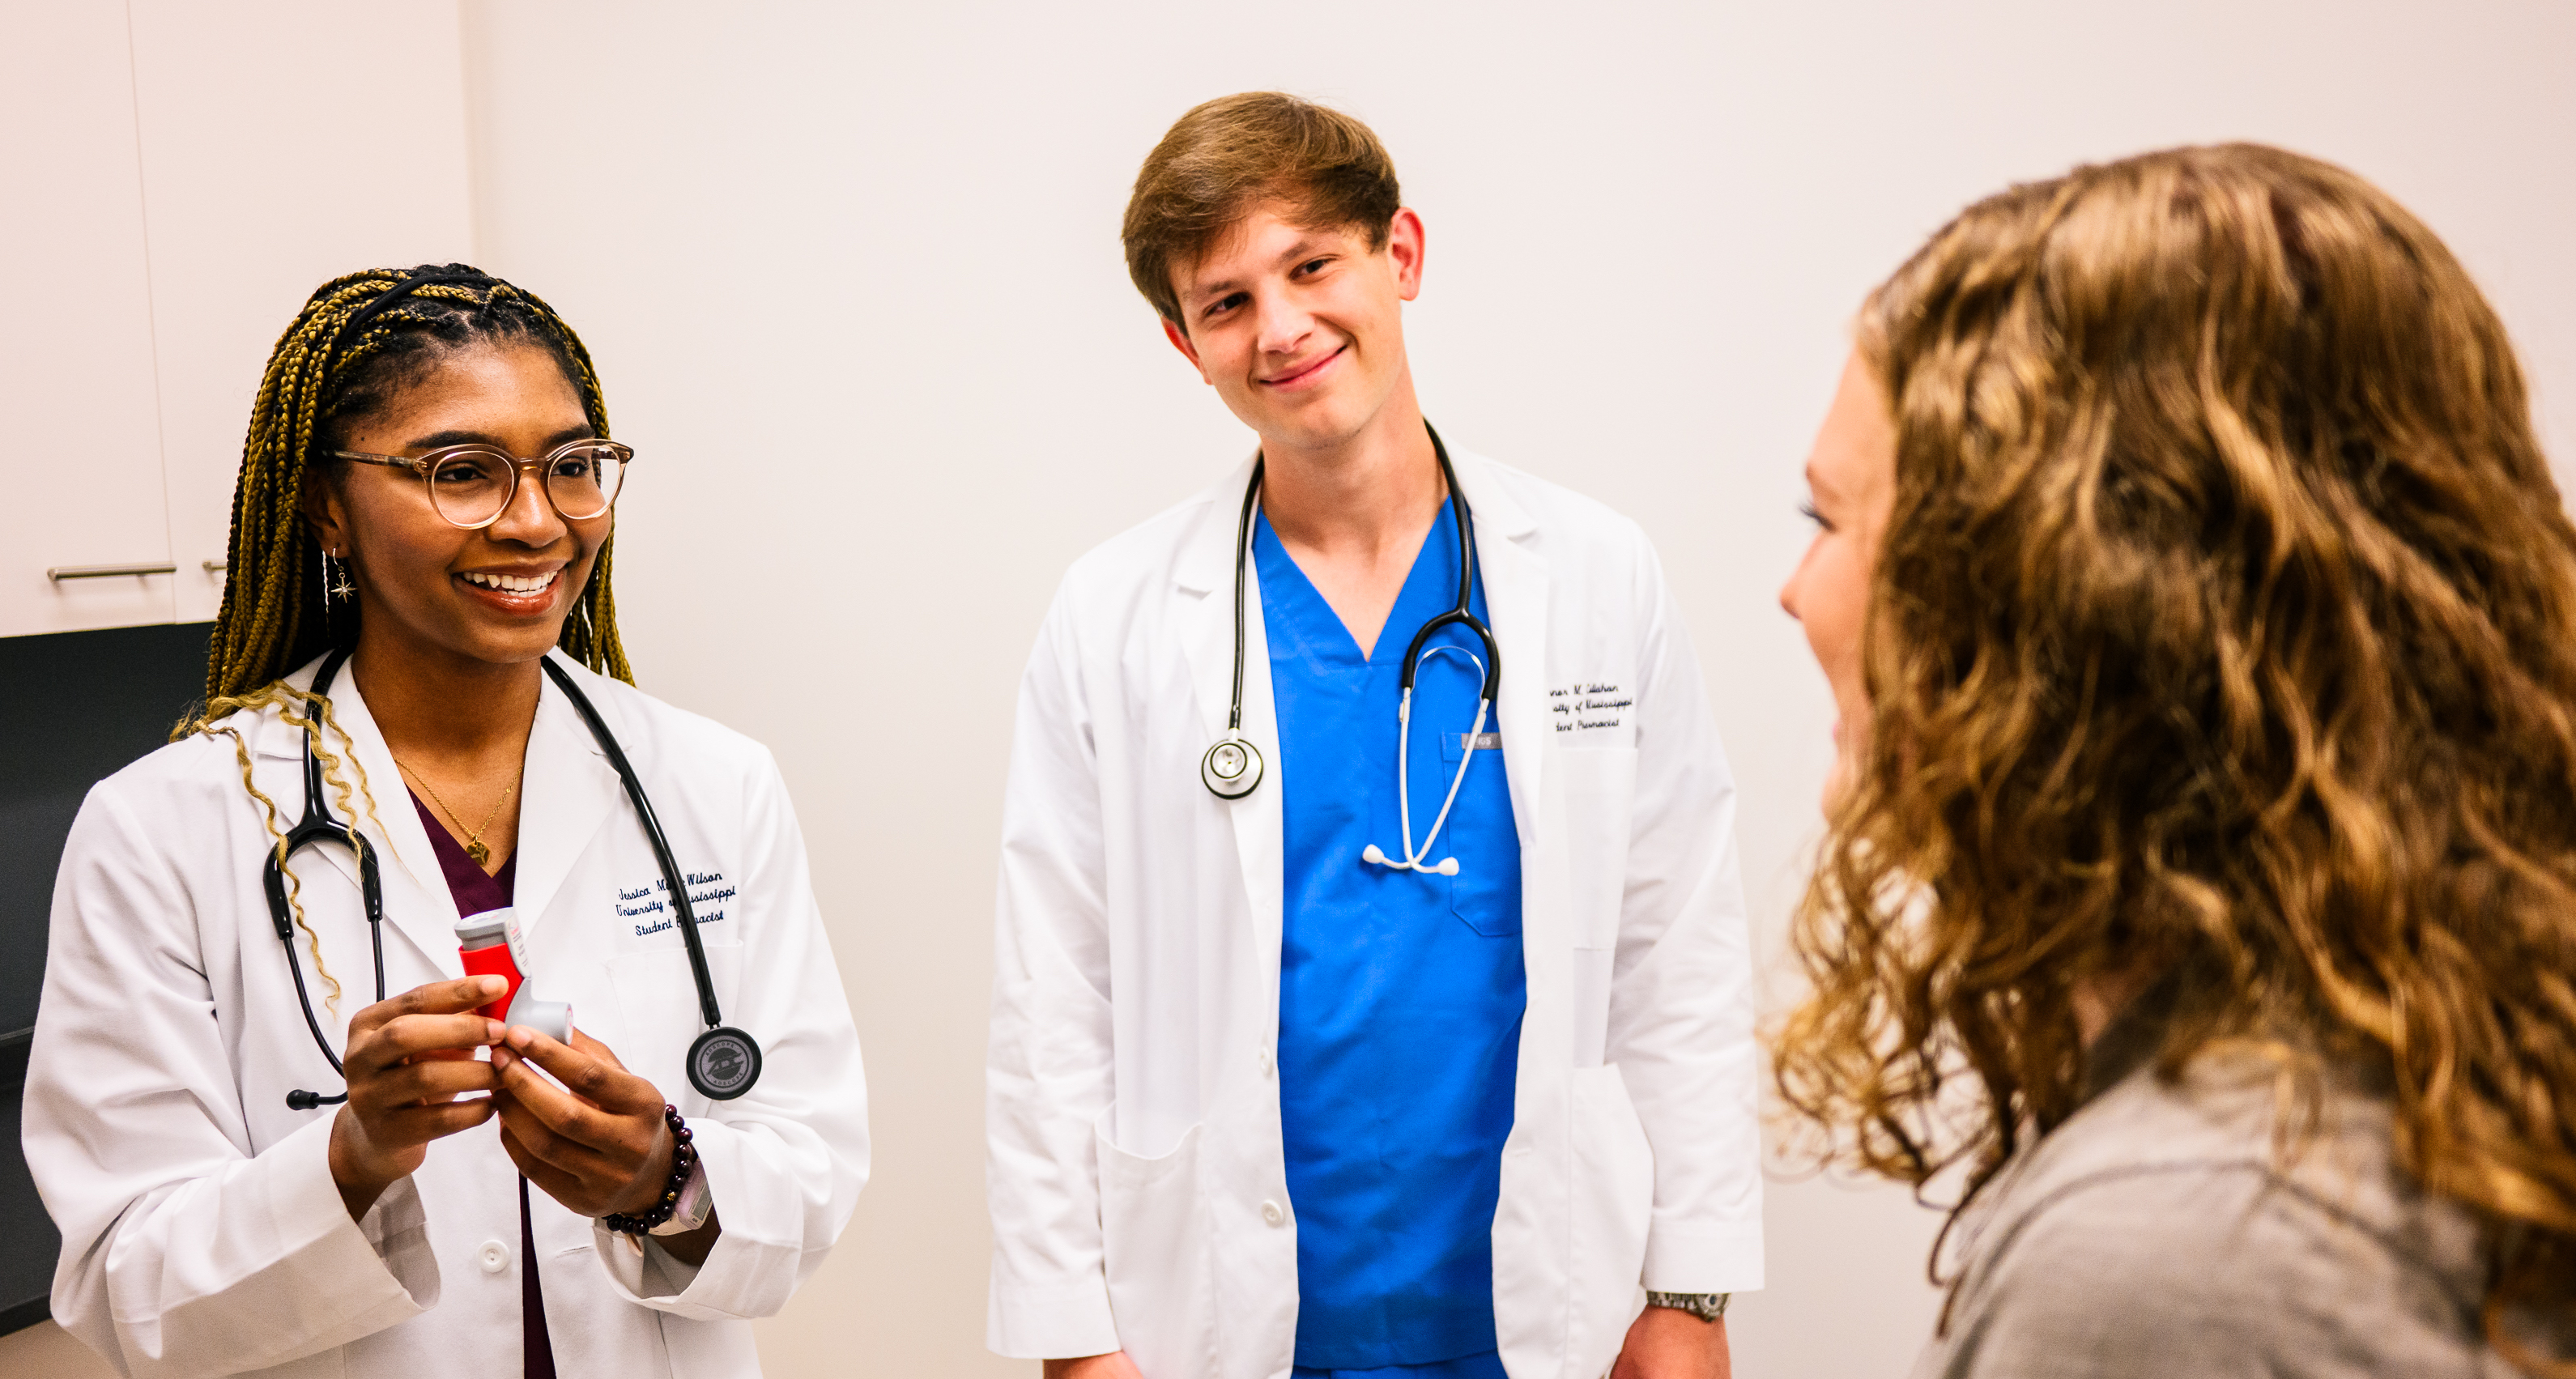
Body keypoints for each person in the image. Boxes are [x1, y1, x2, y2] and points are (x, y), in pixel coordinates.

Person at [986, 93, 1760, 1379]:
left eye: (1309, 266)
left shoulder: (1591, 572)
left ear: (1398, 255)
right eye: (1224, 302)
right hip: (1228, 1310)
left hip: (1539, 1288)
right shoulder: (1114, 612)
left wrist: (1693, 1288)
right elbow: (1053, 996)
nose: (1279, 329)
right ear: (1184, 345)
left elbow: (1678, 946)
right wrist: (1071, 1336)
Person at [1774, 144, 2576, 1377]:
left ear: (2064, 603)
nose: (1794, 593)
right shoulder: (2450, 1079)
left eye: (1827, 521)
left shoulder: (2174, 1258)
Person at [24, 266, 869, 1379]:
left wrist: (663, 1179)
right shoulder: (166, 829)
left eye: (571, 468)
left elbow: (812, 1166)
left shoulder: (713, 782)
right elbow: (126, 1283)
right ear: (327, 501)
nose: (535, 523)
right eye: (462, 473)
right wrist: (351, 1155)